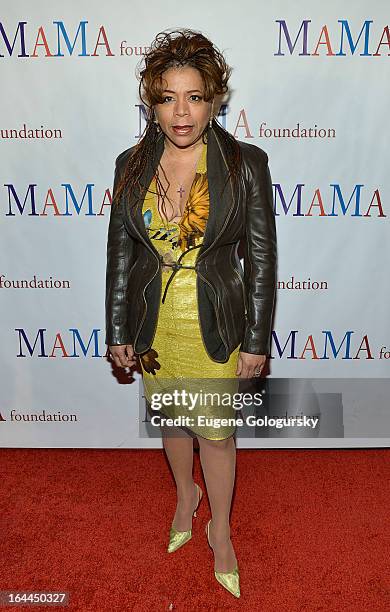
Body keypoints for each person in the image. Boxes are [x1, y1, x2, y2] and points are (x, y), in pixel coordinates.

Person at [105, 28, 277, 599]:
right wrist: (118, 328)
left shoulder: (246, 163)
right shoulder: (130, 166)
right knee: (173, 422)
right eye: (168, 97)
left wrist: (256, 339)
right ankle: (186, 496)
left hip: (217, 325)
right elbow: (121, 255)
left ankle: (220, 530)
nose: (182, 112)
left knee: (217, 434)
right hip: (154, 325)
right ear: (151, 103)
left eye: (195, 97)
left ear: (215, 99)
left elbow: (260, 258)